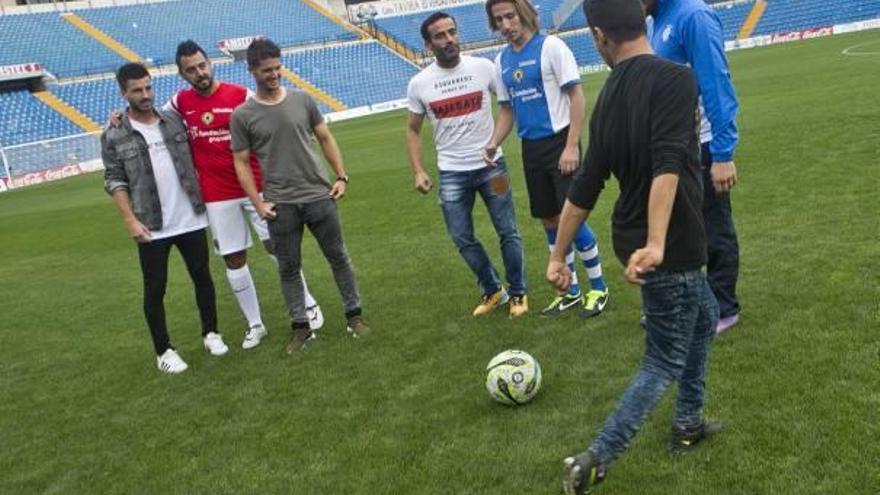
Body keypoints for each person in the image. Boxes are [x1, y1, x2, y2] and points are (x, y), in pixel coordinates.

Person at [543, 1, 720, 492]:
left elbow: (585, 186)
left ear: (599, 35)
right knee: (663, 359)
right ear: (641, 23)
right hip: (669, 242)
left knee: (703, 318)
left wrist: (558, 256)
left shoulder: (609, 94)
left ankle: (688, 424)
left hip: (638, 238)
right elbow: (669, 165)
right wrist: (659, 242)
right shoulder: (675, 79)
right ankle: (596, 458)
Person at [168, 40, 324, 349]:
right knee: (234, 259)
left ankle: (306, 302)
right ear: (182, 73)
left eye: (202, 65)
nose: (199, 72)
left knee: (277, 247)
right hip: (217, 195)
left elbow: (270, 118)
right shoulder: (178, 102)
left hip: (257, 185)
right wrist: (119, 118)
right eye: (191, 70)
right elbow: (153, 120)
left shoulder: (240, 95)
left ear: (209, 63)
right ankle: (255, 324)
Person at [230, 38, 369, 354]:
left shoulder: (302, 100)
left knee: (338, 257)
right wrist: (258, 202)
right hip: (281, 204)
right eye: (267, 70)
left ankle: (354, 316)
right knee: (288, 268)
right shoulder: (243, 115)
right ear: (252, 70)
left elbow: (325, 137)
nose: (274, 74)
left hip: (319, 195)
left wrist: (342, 176)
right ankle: (300, 328)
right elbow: (240, 162)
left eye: (278, 67)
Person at [484, 0, 610, 319]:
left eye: (510, 16)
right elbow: (507, 110)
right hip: (531, 148)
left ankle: (599, 287)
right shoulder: (501, 61)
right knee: (549, 220)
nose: (506, 24)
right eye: (499, 19)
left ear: (523, 14)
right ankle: (570, 291)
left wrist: (572, 147)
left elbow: (576, 96)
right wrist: (493, 142)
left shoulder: (551, 46)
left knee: (572, 217)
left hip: (561, 142)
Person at [102, 62, 228, 374]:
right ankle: (164, 351)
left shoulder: (173, 121)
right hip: (152, 223)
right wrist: (130, 220)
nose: (145, 95)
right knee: (155, 288)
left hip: (190, 216)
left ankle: (211, 333)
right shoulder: (115, 133)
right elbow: (114, 179)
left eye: (148, 87)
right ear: (124, 93)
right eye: (137, 90)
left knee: (202, 277)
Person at [406, 12, 527, 317]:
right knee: (461, 236)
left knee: (508, 230)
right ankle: (492, 289)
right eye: (440, 36)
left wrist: (494, 142)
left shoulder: (484, 68)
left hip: (493, 168)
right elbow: (412, 130)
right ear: (428, 43)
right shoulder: (419, 83)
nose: (449, 40)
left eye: (452, 32)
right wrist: (419, 169)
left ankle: (518, 292)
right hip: (451, 174)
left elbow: (506, 108)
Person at [643, 0, 741, 333]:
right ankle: (685, 303)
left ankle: (723, 308)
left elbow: (717, 83)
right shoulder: (655, 21)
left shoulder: (693, 16)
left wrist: (723, 154)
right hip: (673, 146)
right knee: (673, 229)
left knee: (712, 228)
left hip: (704, 144)